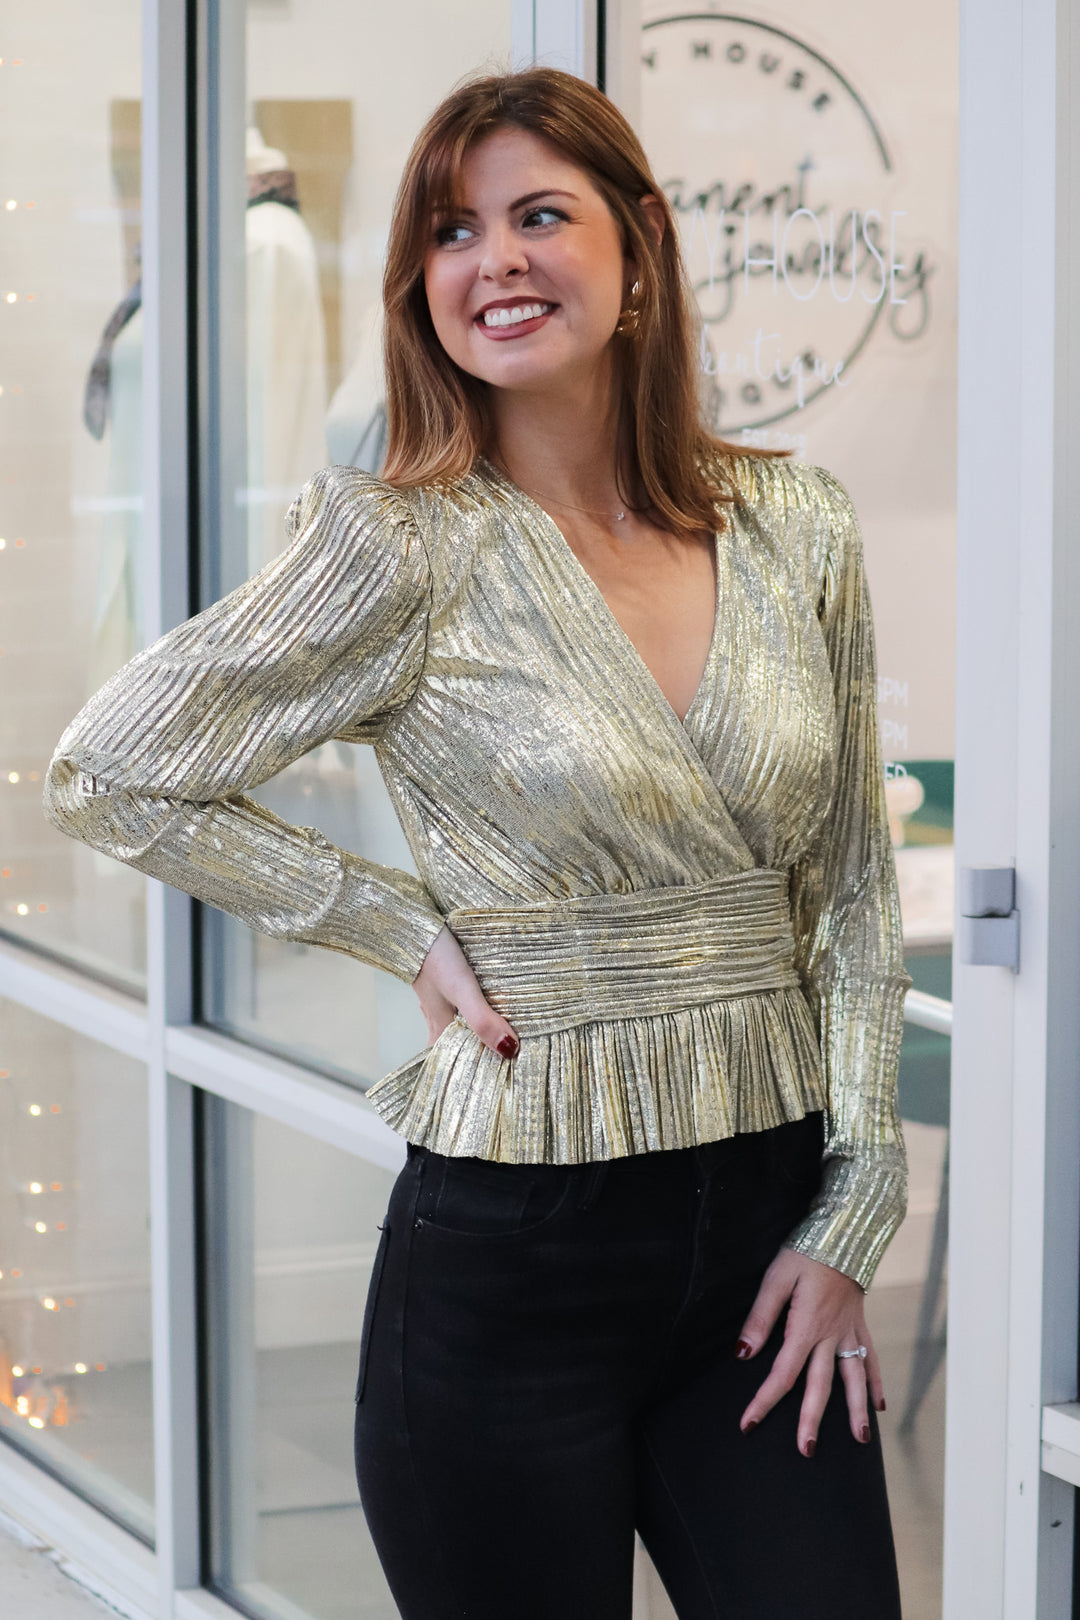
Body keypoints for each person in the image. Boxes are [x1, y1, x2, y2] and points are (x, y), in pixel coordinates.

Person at [43, 66, 909, 1620]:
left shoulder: (801, 524)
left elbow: (848, 883)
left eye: (538, 216)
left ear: (637, 245)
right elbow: (113, 771)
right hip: (511, 1269)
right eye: (452, 229)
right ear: (418, 285)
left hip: (767, 1251)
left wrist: (854, 1208)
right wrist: (394, 927)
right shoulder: (397, 542)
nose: (492, 258)